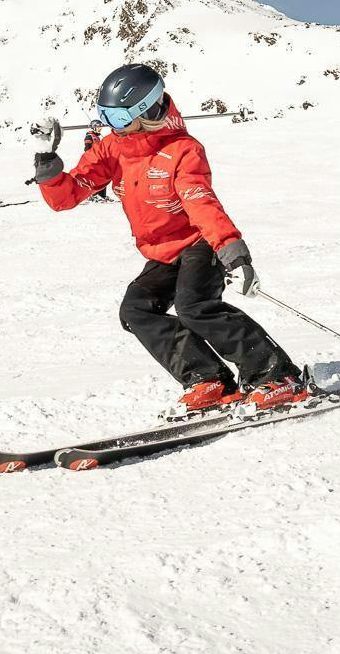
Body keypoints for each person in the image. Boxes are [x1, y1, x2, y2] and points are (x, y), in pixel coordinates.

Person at [33, 64, 308, 415]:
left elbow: (200, 202)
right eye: (105, 115)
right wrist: (46, 158)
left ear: (146, 111)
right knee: (136, 310)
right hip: (162, 252)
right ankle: (208, 378)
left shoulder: (183, 150)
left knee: (194, 306)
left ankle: (277, 375)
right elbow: (65, 197)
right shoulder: (112, 148)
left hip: (200, 243)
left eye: (118, 117)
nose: (111, 125)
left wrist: (233, 253)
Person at [79, 126, 113, 201]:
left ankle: (102, 195)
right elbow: (87, 149)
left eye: (100, 128)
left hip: (99, 160)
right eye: (98, 128)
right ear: (93, 128)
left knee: (104, 177)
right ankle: (93, 195)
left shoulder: (97, 137)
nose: (100, 130)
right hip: (93, 161)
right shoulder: (89, 136)